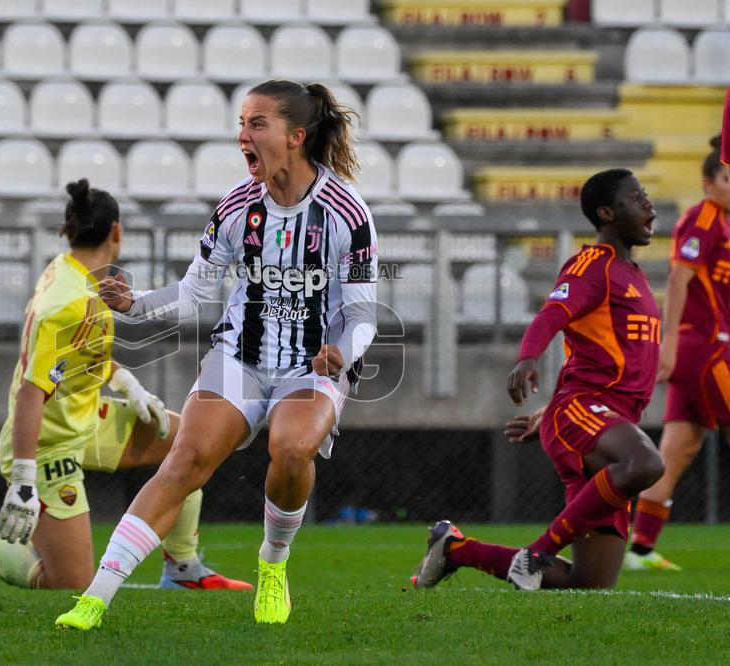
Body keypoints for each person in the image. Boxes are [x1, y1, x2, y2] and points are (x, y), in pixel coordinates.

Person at [56, 79, 377, 630]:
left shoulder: (346, 213)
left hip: (312, 364)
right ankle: (95, 598)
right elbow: (192, 293)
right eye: (241, 124)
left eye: (256, 124)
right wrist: (134, 303)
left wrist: (342, 353)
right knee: (185, 462)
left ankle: (272, 566)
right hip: (241, 357)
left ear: (295, 135)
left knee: (293, 448)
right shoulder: (235, 207)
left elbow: (363, 312)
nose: (242, 137)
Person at [0, 179, 251, 592]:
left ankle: (182, 567)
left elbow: (74, 354)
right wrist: (24, 479)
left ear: (70, 229)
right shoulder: (70, 301)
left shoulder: (70, 272)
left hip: (82, 416)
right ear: (117, 231)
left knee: (184, 440)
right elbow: (31, 393)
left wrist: (127, 382)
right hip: (47, 443)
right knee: (68, 579)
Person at [413, 168, 665, 591]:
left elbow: (598, 351)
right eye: (637, 196)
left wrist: (549, 413)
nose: (649, 204)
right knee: (645, 463)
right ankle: (539, 550)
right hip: (587, 409)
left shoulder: (634, 274)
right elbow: (552, 314)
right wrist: (528, 358)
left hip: (604, 417)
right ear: (606, 212)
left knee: (589, 583)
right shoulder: (592, 264)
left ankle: (454, 549)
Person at [626, 139, 730, 571]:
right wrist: (668, 345)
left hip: (707, 346)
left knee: (679, 448)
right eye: (727, 178)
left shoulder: (723, 222)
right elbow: (679, 280)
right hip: (703, 347)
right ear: (708, 183)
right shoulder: (702, 220)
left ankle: (640, 549)